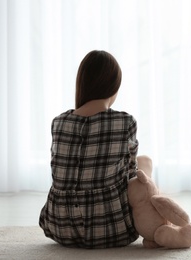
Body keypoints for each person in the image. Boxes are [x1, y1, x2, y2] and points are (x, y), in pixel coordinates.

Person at [39, 50, 152, 248]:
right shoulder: (125, 121)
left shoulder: (58, 122)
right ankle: (157, 219)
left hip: (59, 227)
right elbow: (130, 174)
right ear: (114, 86)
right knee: (145, 162)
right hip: (114, 230)